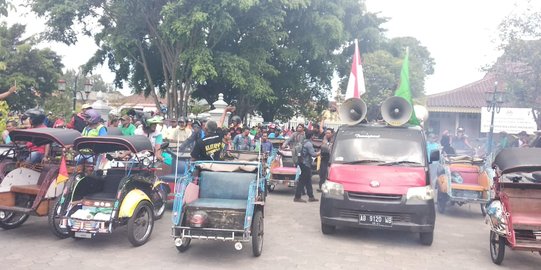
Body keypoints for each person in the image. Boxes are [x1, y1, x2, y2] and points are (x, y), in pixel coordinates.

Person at [294, 130, 319, 203]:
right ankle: (297, 197)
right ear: (312, 136)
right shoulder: (309, 144)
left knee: (308, 180)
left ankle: (311, 196)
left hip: (301, 162)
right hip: (306, 164)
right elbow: (313, 154)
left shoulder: (303, 142)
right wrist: (320, 152)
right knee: (302, 181)